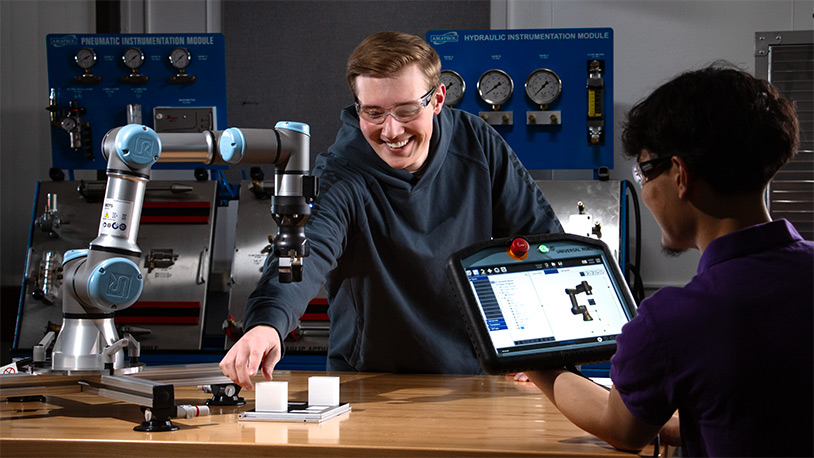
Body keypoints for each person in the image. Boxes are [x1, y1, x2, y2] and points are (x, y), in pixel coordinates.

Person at [220, 31, 562, 388]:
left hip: (472, 378)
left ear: (438, 98)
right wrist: (266, 324)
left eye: (406, 110)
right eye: (374, 112)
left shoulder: (476, 143)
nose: (391, 130)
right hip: (369, 380)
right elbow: (306, 252)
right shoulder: (341, 174)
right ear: (358, 107)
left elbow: (540, 240)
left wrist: (545, 347)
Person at [526, 64, 813, 456]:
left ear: (679, 174)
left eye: (644, 172)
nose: (644, 192)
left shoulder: (676, 319)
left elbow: (623, 429)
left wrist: (535, 362)